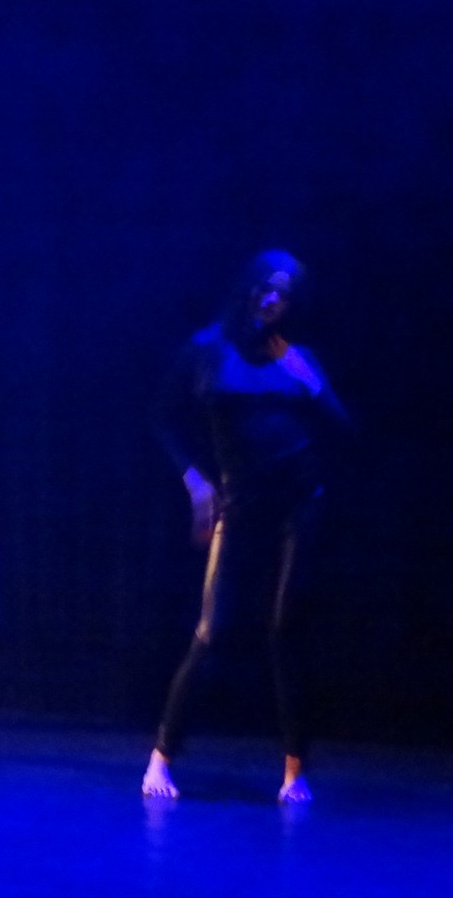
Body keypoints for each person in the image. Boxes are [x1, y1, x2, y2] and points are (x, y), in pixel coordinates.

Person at [141, 250, 351, 804]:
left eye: (285, 293)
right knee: (211, 631)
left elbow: (344, 428)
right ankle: (161, 755)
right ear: (250, 287)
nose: (273, 299)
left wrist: (307, 379)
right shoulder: (208, 348)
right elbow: (162, 417)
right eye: (267, 287)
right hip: (239, 504)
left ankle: (294, 768)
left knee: (284, 629)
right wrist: (195, 481)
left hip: (298, 504)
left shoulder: (295, 356)